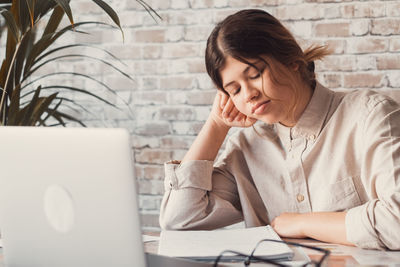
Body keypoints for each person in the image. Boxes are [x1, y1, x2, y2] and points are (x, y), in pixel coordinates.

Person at [159, 9, 400, 250]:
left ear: (291, 60)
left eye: (255, 74)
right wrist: (216, 124)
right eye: (234, 90)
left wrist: (304, 224)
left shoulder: (371, 116)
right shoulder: (246, 149)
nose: (249, 94)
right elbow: (180, 220)